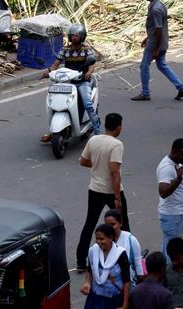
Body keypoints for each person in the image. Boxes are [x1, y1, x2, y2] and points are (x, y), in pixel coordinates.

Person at [76, 113, 129, 272]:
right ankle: (125, 255)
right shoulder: (116, 144)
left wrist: (98, 165)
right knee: (123, 224)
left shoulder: (94, 139)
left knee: (89, 223)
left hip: (95, 189)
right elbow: (114, 172)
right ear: (119, 127)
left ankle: (80, 260)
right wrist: (117, 197)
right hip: (111, 191)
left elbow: (83, 161)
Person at [39, 24, 100, 142]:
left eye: (76, 36)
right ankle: (53, 131)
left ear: (82, 36)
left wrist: (88, 72)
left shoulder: (87, 49)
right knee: (53, 103)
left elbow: (91, 64)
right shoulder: (65, 50)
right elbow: (55, 65)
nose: (74, 38)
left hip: (82, 81)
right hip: (66, 81)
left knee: (87, 104)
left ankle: (98, 132)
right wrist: (48, 72)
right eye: (72, 36)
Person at [131, 0, 183, 101]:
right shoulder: (160, 5)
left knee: (144, 66)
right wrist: (147, 38)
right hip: (160, 41)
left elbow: (158, 29)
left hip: (155, 44)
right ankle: (180, 87)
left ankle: (145, 93)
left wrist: (156, 49)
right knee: (162, 65)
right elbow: (157, 28)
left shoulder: (155, 9)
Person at [80, 223, 131, 309]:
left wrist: (125, 304)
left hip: (113, 299)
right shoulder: (93, 251)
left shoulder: (120, 254)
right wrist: (88, 283)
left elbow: (126, 280)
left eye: (102, 239)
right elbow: (90, 269)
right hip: (95, 298)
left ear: (110, 238)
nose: (99, 242)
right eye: (97, 239)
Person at [157, 138, 183, 257]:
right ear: (174, 150)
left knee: (169, 244)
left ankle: (163, 269)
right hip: (171, 214)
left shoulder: (176, 163)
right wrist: (178, 179)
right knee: (172, 248)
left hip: (176, 213)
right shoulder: (166, 167)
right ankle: (168, 272)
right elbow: (163, 192)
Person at [105, 209, 146, 283]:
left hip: (126, 281)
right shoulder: (102, 240)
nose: (109, 228)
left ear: (120, 224)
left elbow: (137, 262)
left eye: (113, 224)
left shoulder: (131, 240)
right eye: (107, 225)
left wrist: (140, 279)